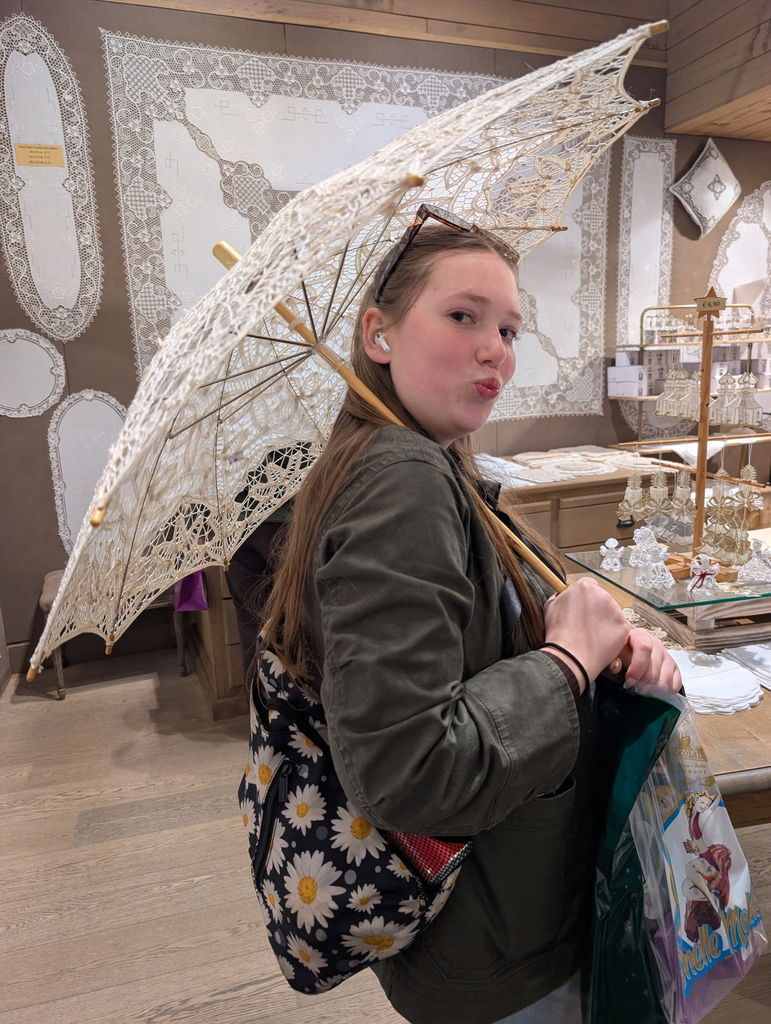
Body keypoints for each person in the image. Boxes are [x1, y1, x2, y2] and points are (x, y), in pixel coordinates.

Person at [257, 209, 682, 1024]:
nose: (497, 350)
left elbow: (466, 646)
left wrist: (597, 644)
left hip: (485, 915)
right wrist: (564, 664)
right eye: (463, 317)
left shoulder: (424, 463)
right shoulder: (401, 482)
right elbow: (408, 770)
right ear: (377, 335)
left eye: (510, 328)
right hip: (492, 935)